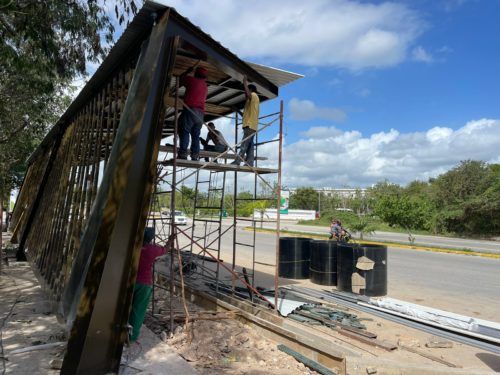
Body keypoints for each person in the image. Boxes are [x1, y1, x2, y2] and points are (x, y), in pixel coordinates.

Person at [128, 227, 165, 343]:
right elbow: (166, 250)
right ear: (151, 238)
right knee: (138, 310)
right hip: (144, 284)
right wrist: (170, 240)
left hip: (129, 281)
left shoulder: (133, 246)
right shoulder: (153, 249)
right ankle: (131, 337)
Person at [177, 65, 208, 161]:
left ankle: (183, 154)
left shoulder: (191, 80)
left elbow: (180, 79)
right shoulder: (205, 86)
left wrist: (187, 71)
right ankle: (195, 156)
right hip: (200, 114)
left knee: (184, 130)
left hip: (191, 110)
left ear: (195, 74)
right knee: (195, 135)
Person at [231, 76, 259, 167]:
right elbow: (244, 116)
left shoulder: (254, 95)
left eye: (247, 90)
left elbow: (249, 93)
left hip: (250, 126)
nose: (245, 94)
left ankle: (238, 161)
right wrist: (237, 110)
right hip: (251, 126)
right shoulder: (249, 102)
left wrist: (244, 82)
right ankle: (250, 162)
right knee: (249, 146)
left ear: (250, 90)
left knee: (244, 145)